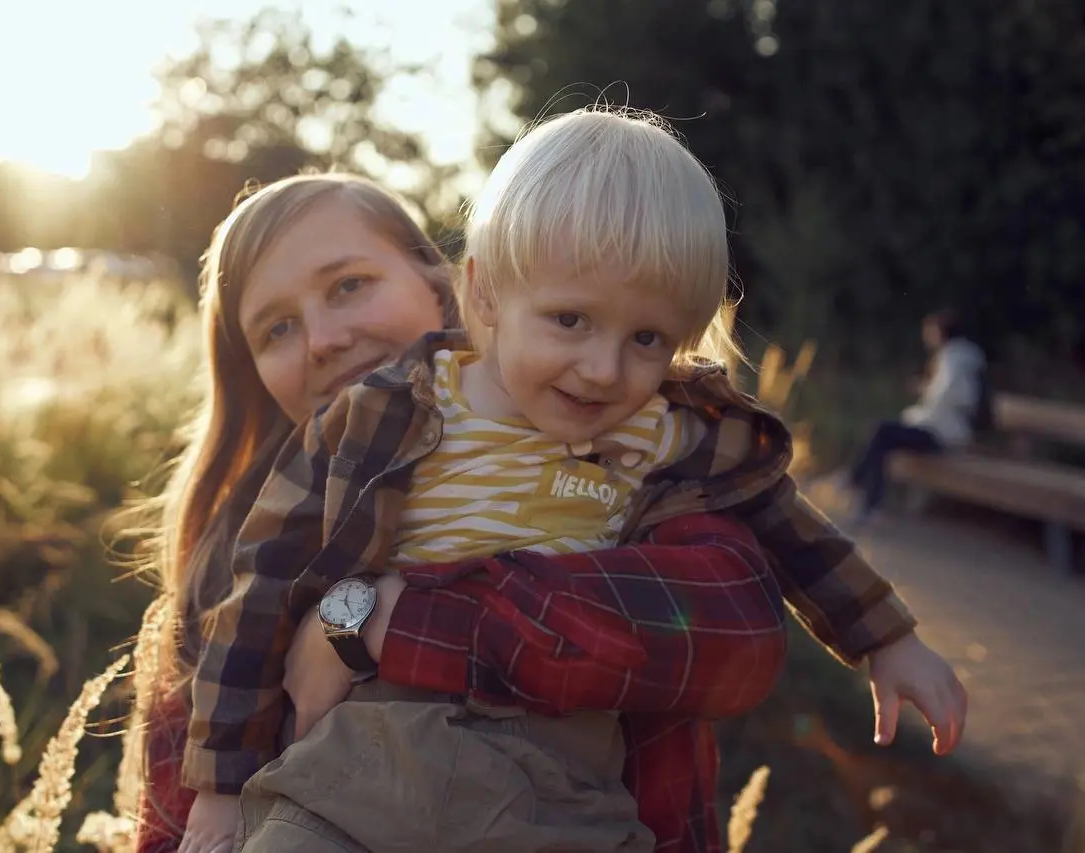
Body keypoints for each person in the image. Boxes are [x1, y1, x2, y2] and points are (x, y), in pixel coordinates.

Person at [175, 111, 967, 853]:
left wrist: (884, 637)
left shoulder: (664, 430)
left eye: (646, 337)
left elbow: (785, 527)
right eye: (570, 321)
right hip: (354, 766)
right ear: (487, 291)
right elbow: (261, 585)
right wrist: (217, 785)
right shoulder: (382, 417)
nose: (601, 368)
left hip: (554, 785)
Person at [137, 170, 789, 853]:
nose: (323, 337)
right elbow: (175, 833)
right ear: (255, 377)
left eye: (349, 284)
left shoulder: (611, 441)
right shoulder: (218, 592)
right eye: (277, 328)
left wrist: (378, 616)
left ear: (445, 282)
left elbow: (739, 632)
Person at [849, 307, 988, 522]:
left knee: (881, 432)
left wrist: (928, 389)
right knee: (881, 436)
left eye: (930, 331)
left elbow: (953, 397)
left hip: (942, 434)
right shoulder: (957, 358)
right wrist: (929, 388)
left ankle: (859, 489)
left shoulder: (954, 360)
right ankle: (863, 494)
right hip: (939, 429)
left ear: (942, 332)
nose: (927, 337)